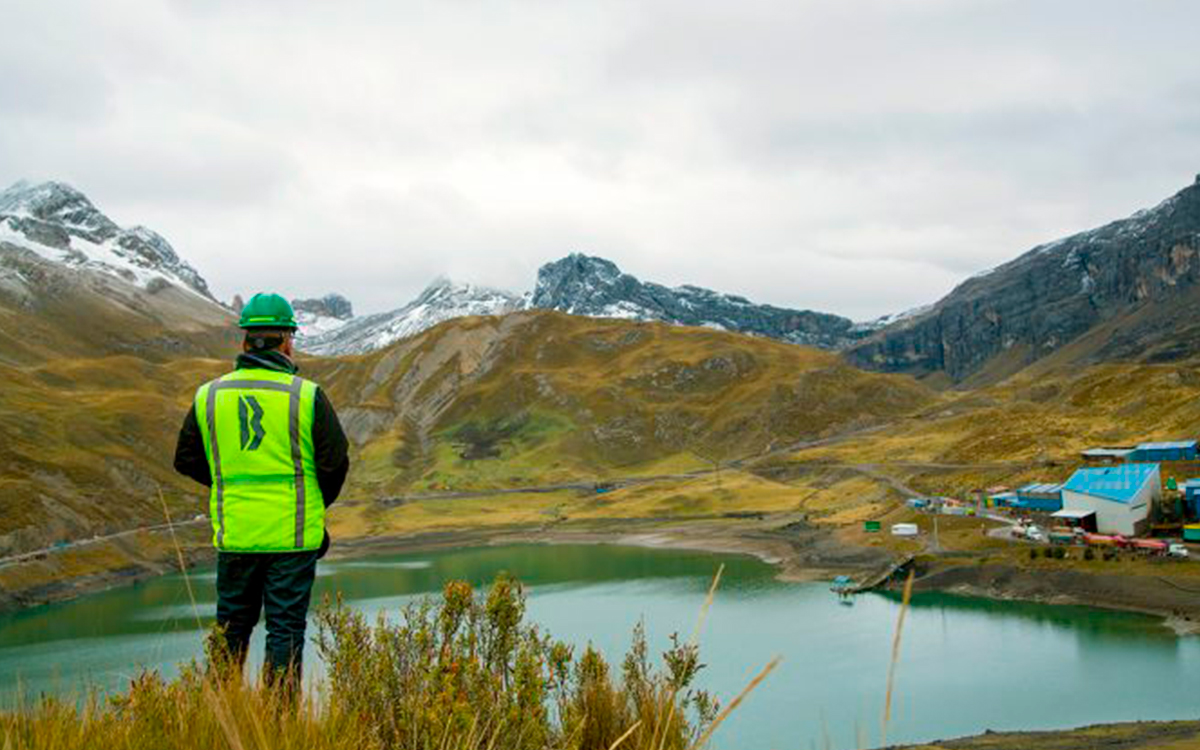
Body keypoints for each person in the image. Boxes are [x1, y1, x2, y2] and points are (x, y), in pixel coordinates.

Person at [173, 292, 349, 694]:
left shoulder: (209, 396)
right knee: (285, 630)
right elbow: (335, 462)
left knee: (230, 628)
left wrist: (230, 483)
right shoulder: (306, 395)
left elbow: (186, 459)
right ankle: (279, 723)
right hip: (293, 537)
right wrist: (313, 508)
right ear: (288, 339)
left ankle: (218, 716)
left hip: (236, 533)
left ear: (244, 340)